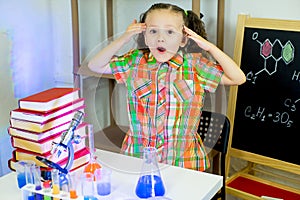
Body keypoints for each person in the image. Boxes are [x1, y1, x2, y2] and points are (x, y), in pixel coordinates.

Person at [88, 3, 246, 171]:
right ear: (145, 36)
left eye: (170, 32)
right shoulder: (134, 61)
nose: (160, 38)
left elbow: (238, 78)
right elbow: (95, 65)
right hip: (138, 158)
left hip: (184, 161)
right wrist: (124, 38)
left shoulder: (195, 65)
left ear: (184, 39)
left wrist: (209, 47)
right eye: (153, 31)